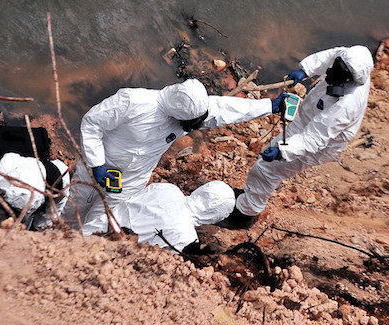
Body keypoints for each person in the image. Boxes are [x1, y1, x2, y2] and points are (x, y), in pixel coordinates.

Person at [64, 78, 279, 235]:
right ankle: (50, 237)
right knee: (72, 207)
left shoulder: (191, 113)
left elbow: (226, 109)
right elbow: (92, 123)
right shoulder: (132, 101)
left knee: (104, 220)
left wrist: (270, 106)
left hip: (130, 182)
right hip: (96, 168)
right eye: (191, 124)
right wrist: (97, 164)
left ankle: (80, 248)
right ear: (176, 113)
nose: (192, 127)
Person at [219, 45, 374, 230]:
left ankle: (244, 214)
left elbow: (314, 139)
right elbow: (331, 55)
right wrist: (305, 70)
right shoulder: (352, 59)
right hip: (307, 121)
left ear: (348, 80)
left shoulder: (345, 105)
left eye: (336, 73)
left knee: (267, 170)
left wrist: (283, 151)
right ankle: (249, 197)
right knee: (265, 167)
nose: (330, 73)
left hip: (320, 145)